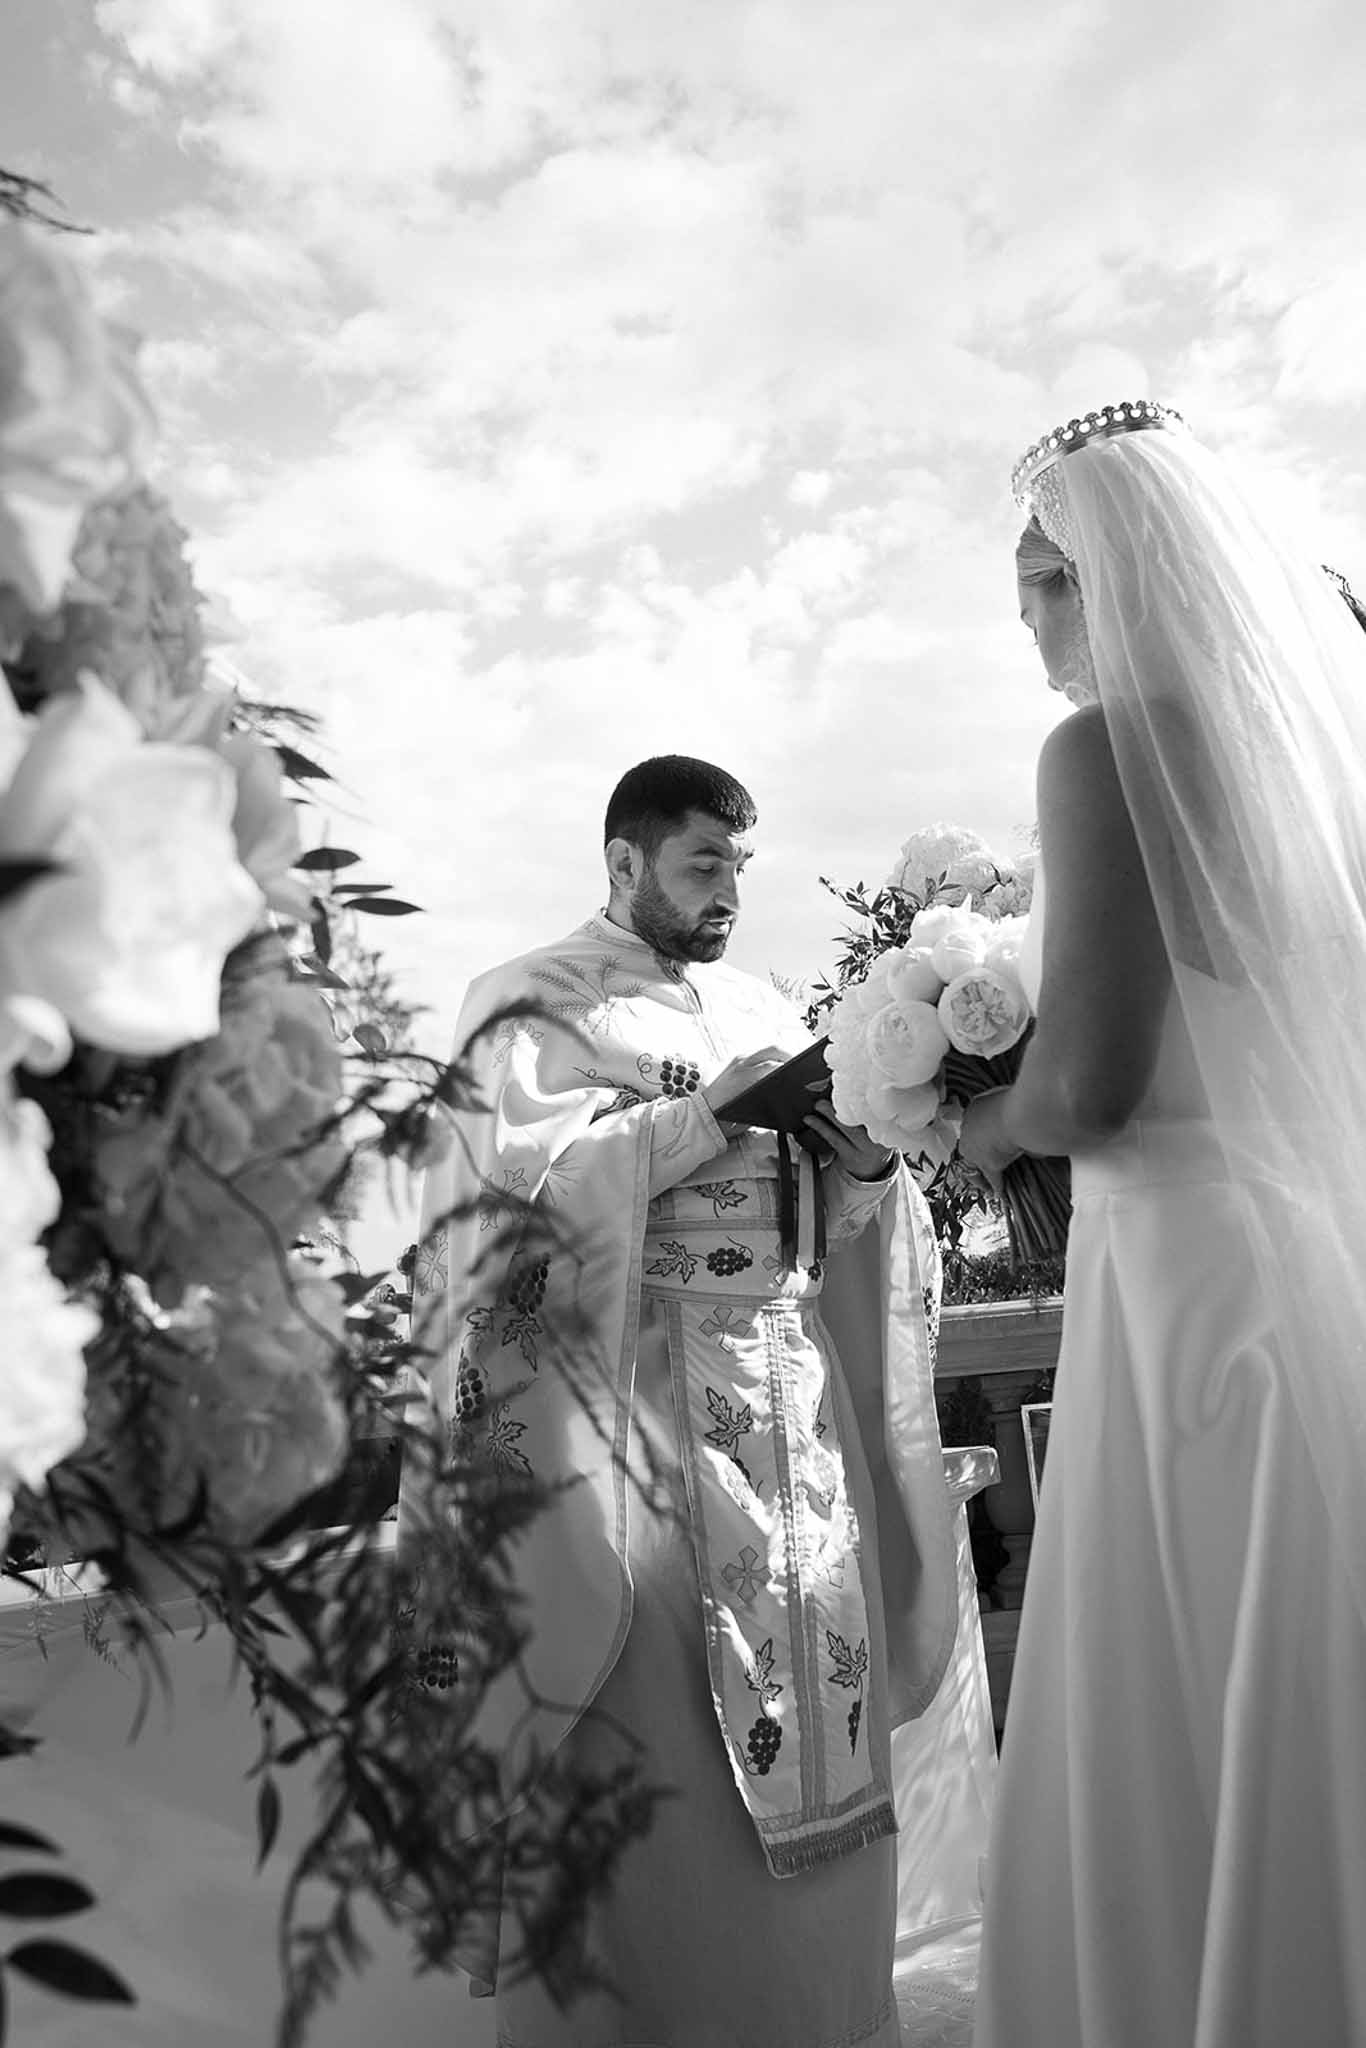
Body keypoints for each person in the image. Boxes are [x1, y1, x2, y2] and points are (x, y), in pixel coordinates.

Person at [406, 755, 958, 2048]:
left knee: (822, 1701)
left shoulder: (758, 1002)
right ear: (623, 860)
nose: (726, 893)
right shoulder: (529, 1002)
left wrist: (861, 1160)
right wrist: (707, 1117)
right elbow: (506, 1212)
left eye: (739, 868)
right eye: (702, 864)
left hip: (788, 1420)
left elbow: (830, 1227)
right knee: (659, 1749)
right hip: (636, 1432)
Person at [961, 401, 1366, 2046]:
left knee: (1188, 1715)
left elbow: (1098, 1090)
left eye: (1047, 586)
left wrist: (960, 1116)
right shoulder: (1311, 764)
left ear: (1119, 575)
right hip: (1316, 1276)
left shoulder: (1107, 748)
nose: (1037, 630)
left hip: (1186, 1303)